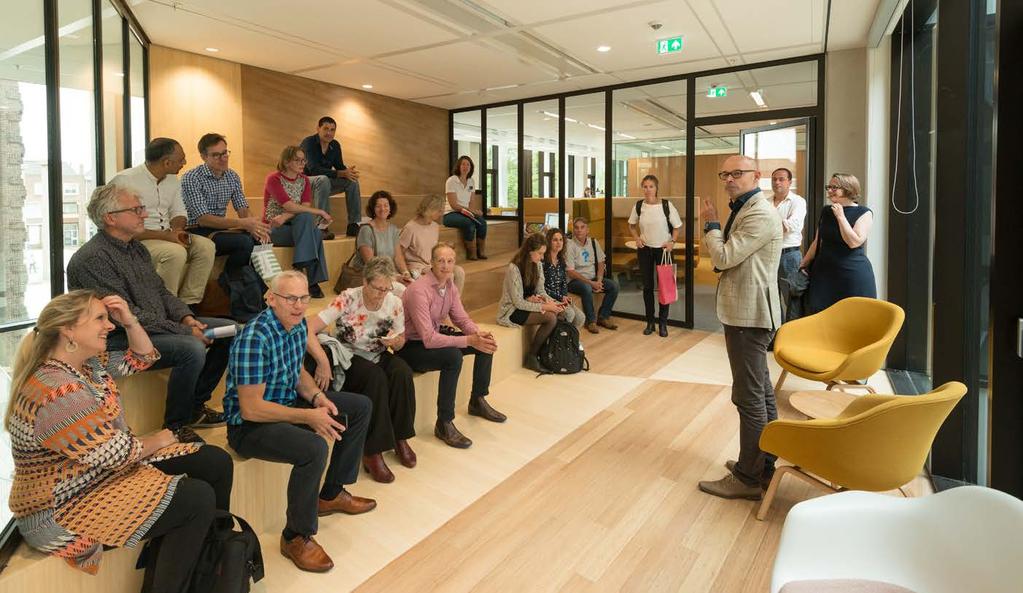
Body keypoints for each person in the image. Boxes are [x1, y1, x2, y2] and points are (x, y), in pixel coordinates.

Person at [6, 290, 233, 589]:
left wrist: (130, 320)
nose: (109, 325)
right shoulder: (58, 391)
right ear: (68, 330)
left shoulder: (86, 365)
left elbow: (142, 357)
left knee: (215, 461)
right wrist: (161, 439)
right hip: (64, 507)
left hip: (98, 473)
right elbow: (118, 454)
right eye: (100, 318)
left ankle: (208, 563)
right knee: (196, 498)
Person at [223, 270, 375, 573]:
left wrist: (318, 398)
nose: (298, 305)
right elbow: (252, 409)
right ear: (271, 299)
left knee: (359, 407)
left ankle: (330, 494)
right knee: (314, 448)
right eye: (290, 298)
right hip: (249, 426)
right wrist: (307, 415)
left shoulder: (294, 326)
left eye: (303, 298)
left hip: (284, 403)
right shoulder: (254, 337)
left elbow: (296, 374)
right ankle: (295, 535)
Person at [68, 184, 234, 443]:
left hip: (158, 328)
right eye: (136, 209)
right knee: (191, 347)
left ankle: (195, 405)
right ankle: (176, 426)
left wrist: (186, 318)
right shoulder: (92, 259)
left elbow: (162, 292)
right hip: (118, 340)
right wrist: (184, 330)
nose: (144, 215)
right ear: (110, 218)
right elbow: (125, 317)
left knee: (231, 330)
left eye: (142, 209)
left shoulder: (136, 248)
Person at [697, 155, 783, 501]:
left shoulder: (760, 213)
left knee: (749, 397)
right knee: (761, 392)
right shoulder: (748, 208)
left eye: (737, 173)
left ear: (755, 176)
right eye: (725, 174)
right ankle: (763, 465)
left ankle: (748, 478)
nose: (729, 179)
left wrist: (711, 226)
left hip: (749, 317)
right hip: (747, 314)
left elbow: (722, 258)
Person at [307, 257, 416, 484]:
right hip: (349, 356)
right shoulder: (348, 298)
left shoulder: (393, 302)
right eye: (377, 288)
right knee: (375, 377)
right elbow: (308, 329)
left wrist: (395, 343)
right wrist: (323, 362)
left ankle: (400, 437)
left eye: (386, 289)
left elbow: (401, 338)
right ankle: (372, 451)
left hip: (378, 351)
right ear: (365, 281)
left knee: (402, 371)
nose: (382, 294)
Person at [398, 243, 503, 449]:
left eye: (450, 261)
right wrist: (467, 340)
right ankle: (444, 422)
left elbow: (461, 318)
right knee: (453, 357)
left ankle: (477, 400)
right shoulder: (418, 290)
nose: (446, 266)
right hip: (411, 347)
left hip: (432, 339)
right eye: (440, 261)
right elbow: (428, 338)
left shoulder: (450, 286)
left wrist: (476, 333)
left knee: (485, 343)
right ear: (431, 263)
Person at [110, 137, 215, 307]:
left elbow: (179, 212)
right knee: (175, 252)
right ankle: (166, 308)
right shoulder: (124, 181)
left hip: (167, 234)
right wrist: (168, 237)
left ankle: (188, 305)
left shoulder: (173, 180)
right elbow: (122, 226)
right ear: (166, 162)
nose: (184, 163)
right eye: (181, 160)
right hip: (139, 239)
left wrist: (178, 231)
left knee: (206, 246)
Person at [181, 132, 269, 287]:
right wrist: (243, 223)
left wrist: (255, 226)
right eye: (216, 155)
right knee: (244, 242)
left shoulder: (232, 176)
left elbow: (242, 208)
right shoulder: (191, 178)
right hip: (196, 230)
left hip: (221, 229)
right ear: (203, 157)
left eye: (225, 153)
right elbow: (203, 218)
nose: (223, 158)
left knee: (262, 239)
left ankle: (263, 292)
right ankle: (230, 285)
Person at [802, 173, 877, 314]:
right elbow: (818, 240)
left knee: (853, 315)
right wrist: (804, 262)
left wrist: (841, 217)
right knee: (821, 314)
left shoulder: (864, 213)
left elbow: (854, 242)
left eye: (834, 187)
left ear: (848, 189)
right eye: (828, 187)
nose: (829, 191)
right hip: (824, 273)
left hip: (851, 273)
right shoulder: (826, 211)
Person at [264, 145, 332, 298]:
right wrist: (320, 211)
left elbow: (305, 207)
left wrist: (284, 217)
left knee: (309, 224)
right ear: (287, 162)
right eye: (298, 160)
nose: (303, 163)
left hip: (295, 227)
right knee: (312, 229)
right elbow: (288, 205)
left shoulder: (305, 180)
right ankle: (312, 282)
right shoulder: (274, 179)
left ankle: (301, 264)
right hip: (273, 229)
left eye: (304, 160)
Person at [496, 233, 568, 373]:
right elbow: (518, 303)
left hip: (526, 304)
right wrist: (546, 306)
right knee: (550, 317)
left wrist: (552, 302)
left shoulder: (538, 265)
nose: (542, 257)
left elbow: (541, 290)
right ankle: (532, 356)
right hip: (512, 310)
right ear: (530, 251)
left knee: (560, 313)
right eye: (540, 253)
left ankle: (549, 354)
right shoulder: (514, 268)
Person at [627, 174, 682, 337]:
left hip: (663, 251)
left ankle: (663, 323)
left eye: (651, 186)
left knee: (665, 287)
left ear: (656, 188)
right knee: (648, 287)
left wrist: (672, 241)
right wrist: (637, 238)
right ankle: (650, 322)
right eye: (645, 186)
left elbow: (677, 226)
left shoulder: (666, 205)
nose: (648, 190)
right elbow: (631, 225)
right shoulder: (638, 206)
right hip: (645, 249)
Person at [339, 190, 412, 293]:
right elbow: (371, 264)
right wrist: (395, 277)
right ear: (373, 209)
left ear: (390, 208)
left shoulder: (393, 229)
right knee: (404, 291)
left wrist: (405, 272)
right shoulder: (366, 230)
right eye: (378, 206)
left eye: (386, 205)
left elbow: (398, 257)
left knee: (414, 286)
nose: (383, 209)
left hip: (389, 276)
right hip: (370, 277)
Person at [301, 116, 361, 238]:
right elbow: (313, 169)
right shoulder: (308, 143)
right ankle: (322, 227)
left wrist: (348, 172)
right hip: (304, 184)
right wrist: (340, 173)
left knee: (352, 181)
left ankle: (354, 225)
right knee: (322, 179)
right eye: (326, 129)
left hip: (324, 184)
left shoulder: (335, 145)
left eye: (332, 130)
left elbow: (339, 166)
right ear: (318, 128)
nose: (329, 133)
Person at [399, 194, 465, 292]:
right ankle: (443, 304)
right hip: (417, 266)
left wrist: (444, 245)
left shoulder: (434, 226)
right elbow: (399, 252)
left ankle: (454, 304)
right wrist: (404, 271)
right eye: (439, 210)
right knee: (447, 275)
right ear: (430, 210)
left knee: (459, 272)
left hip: (432, 264)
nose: (441, 213)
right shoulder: (410, 228)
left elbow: (431, 247)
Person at [566, 217, 619, 334]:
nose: (579, 230)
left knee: (614, 286)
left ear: (587, 230)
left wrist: (599, 280)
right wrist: (591, 283)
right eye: (576, 228)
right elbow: (571, 272)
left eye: (582, 227)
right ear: (573, 230)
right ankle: (591, 322)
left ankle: (603, 317)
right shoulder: (569, 245)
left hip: (593, 278)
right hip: (574, 281)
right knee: (586, 288)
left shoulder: (593, 242)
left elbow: (601, 262)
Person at [769, 167, 807, 322]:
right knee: (771, 300)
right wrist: (779, 224)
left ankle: (793, 338)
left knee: (792, 299)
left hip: (789, 256)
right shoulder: (766, 203)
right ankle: (775, 336)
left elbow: (793, 226)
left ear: (789, 182)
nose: (777, 182)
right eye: (774, 179)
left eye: (781, 179)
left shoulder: (798, 201)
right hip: (769, 255)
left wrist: (767, 227)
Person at [443, 155, 488, 260]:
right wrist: (470, 211)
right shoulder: (451, 181)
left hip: (465, 212)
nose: (465, 167)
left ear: (471, 168)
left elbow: (472, 201)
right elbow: (454, 205)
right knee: (469, 224)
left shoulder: (471, 181)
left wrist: (474, 212)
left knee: (482, 223)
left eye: (468, 165)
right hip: (451, 213)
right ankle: (471, 253)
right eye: (463, 164)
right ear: (458, 166)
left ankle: (481, 251)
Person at [541, 227, 584, 329]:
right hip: (548, 298)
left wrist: (564, 296)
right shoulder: (543, 262)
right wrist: (560, 298)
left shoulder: (561, 261)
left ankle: (570, 341)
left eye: (561, 240)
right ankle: (561, 341)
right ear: (549, 242)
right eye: (555, 240)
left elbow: (564, 282)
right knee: (569, 314)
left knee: (581, 317)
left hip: (560, 298)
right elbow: (542, 288)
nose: (558, 243)